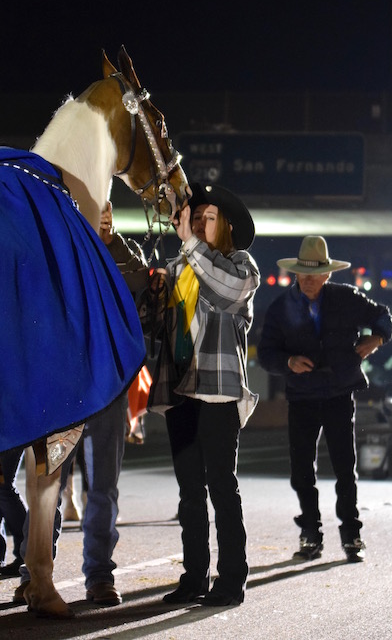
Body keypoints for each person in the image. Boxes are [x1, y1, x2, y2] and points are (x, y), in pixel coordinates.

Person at [15, 202, 149, 606]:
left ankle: (100, 576)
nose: (101, 217)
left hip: (106, 392)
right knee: (47, 487)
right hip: (62, 394)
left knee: (102, 488)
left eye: (106, 213)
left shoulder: (122, 254)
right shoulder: (56, 249)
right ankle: (33, 573)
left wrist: (111, 244)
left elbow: (138, 289)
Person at [147, 182, 260, 607]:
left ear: (225, 225)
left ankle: (232, 580)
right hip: (181, 392)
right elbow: (157, 327)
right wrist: (153, 299)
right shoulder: (179, 266)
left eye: (207, 217)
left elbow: (225, 291)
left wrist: (191, 245)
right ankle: (194, 577)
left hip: (218, 395)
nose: (197, 223)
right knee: (189, 492)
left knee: (221, 487)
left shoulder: (241, 266)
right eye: (195, 217)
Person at [257, 235, 392, 563]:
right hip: (302, 395)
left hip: (338, 393)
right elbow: (265, 353)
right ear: (295, 274)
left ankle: (352, 536)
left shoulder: (348, 299)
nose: (308, 280)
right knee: (302, 469)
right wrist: (287, 362)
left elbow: (384, 318)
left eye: (314, 274)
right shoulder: (281, 307)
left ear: (327, 274)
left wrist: (374, 340)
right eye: (302, 274)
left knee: (345, 468)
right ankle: (310, 534)